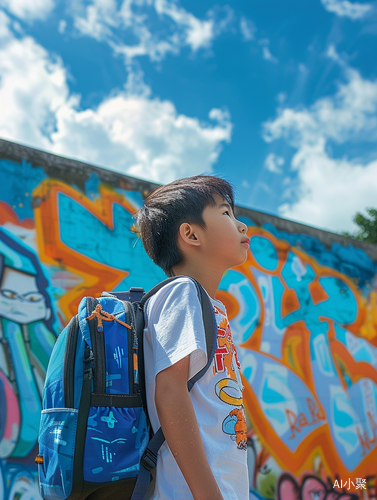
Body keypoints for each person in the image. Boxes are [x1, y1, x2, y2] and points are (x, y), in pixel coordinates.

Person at [136, 175, 250, 500]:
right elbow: (170, 391)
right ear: (190, 233)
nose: (242, 227)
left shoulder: (207, 305)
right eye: (226, 214)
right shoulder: (182, 293)